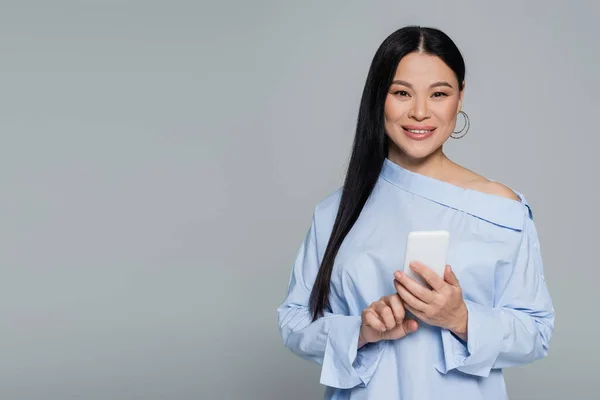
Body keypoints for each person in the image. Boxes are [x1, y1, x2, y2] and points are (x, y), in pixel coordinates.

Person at [276, 25, 555, 399]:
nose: (420, 112)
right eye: (402, 93)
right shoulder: (336, 211)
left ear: (460, 98)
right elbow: (295, 323)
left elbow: (537, 333)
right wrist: (360, 330)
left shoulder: (500, 208)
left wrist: (461, 319)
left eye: (439, 94)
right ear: (380, 98)